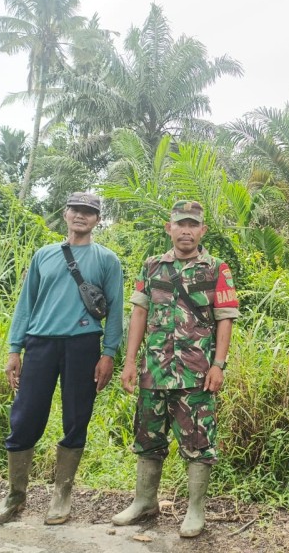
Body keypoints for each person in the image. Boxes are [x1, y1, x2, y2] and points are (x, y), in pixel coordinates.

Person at [0, 192, 124, 527]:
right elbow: (25, 303)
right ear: (66, 213)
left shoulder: (107, 259)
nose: (81, 216)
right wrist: (14, 349)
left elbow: (116, 310)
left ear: (97, 219)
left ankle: (62, 494)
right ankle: (15, 494)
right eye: (76, 210)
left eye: (89, 212)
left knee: (77, 416)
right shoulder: (44, 256)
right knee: (25, 415)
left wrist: (109, 354)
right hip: (40, 344)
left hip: (83, 346)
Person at [112, 200, 239, 538]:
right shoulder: (152, 266)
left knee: (198, 441)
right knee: (147, 437)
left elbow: (225, 320)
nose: (186, 230)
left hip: (196, 372)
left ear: (202, 230)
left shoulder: (216, 269)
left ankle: (195, 510)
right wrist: (129, 363)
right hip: (154, 370)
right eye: (180, 224)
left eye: (193, 224)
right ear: (169, 228)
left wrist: (219, 365)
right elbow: (139, 315)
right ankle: (144, 502)